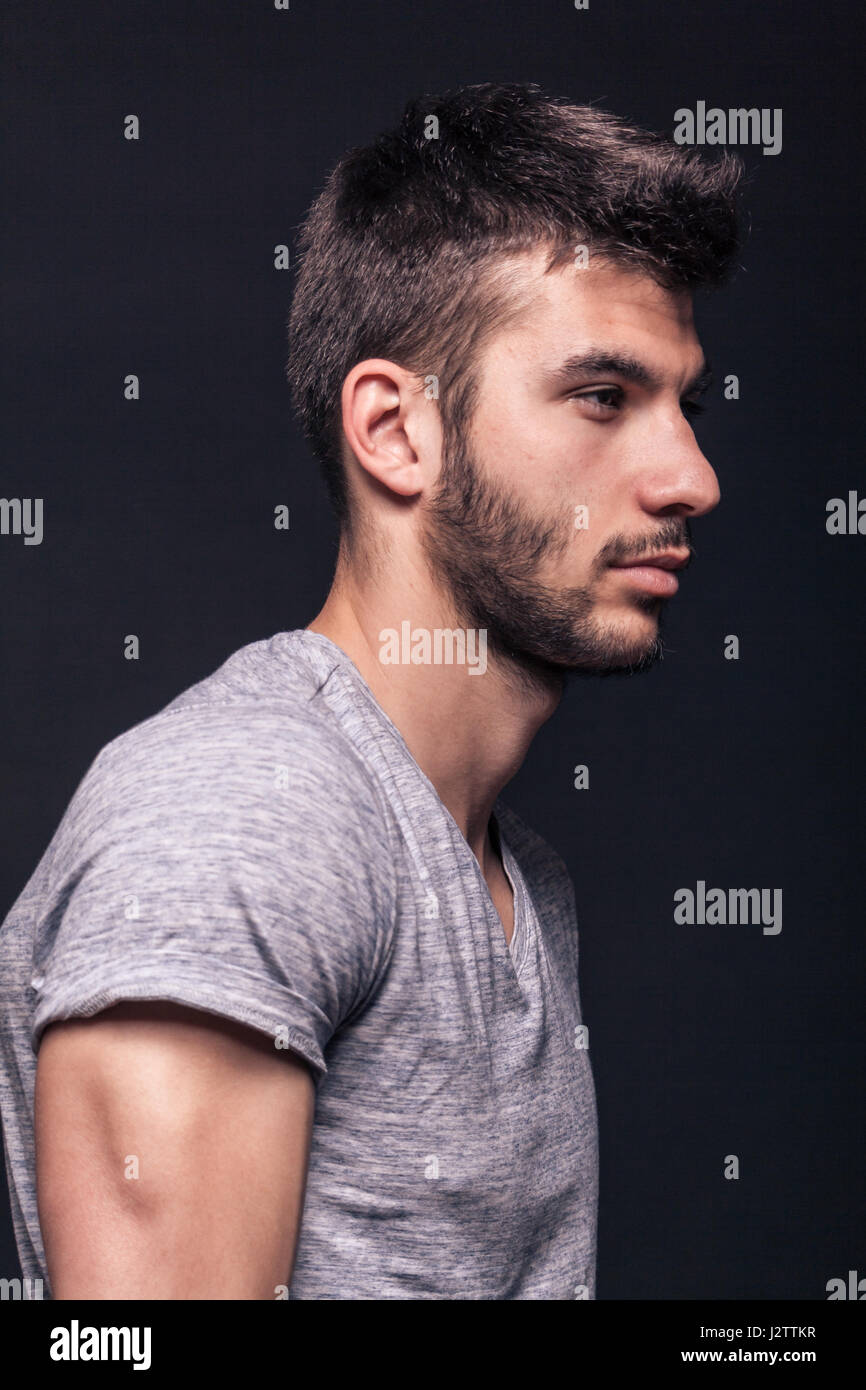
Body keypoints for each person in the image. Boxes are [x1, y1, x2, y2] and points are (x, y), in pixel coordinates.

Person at [0, 82, 742, 1299]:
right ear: (397, 433)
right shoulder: (245, 816)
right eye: (602, 397)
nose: (689, 476)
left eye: (684, 405)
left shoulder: (512, 874)